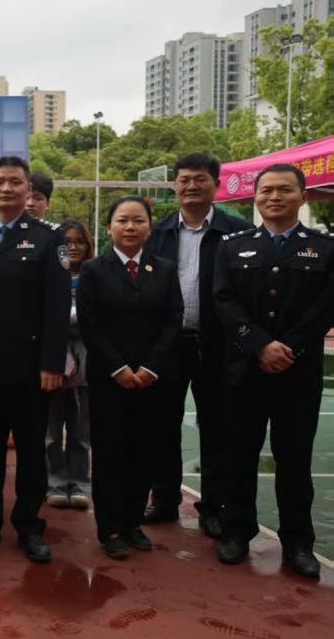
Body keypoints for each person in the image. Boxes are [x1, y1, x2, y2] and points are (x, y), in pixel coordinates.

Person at [214, 164, 334, 580]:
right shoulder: (233, 247)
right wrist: (259, 345)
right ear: (255, 198)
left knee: (295, 459)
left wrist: (290, 347)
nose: (274, 197)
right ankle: (236, 531)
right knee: (239, 454)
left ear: (303, 196)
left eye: (285, 190)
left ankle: (298, 542)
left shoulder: (324, 248)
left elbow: (326, 307)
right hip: (244, 370)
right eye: (266, 190)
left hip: (298, 373)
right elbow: (223, 300)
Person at [0, 157, 70, 562]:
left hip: (29, 369)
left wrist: (52, 363)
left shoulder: (48, 238)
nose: (6, 189)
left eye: (15, 182)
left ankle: (28, 524)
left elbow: (57, 306)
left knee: (30, 451)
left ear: (28, 190)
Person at [143, 153, 252, 535]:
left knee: (217, 428)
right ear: (175, 185)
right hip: (167, 346)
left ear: (216, 185)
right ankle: (164, 499)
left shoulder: (237, 232)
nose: (191, 186)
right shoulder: (157, 233)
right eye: (185, 179)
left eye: (200, 179)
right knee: (162, 425)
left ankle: (213, 507)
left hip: (218, 347)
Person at [77, 197, 182, 559]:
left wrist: (151, 368)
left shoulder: (164, 269)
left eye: (139, 220)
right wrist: (118, 368)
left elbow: (173, 320)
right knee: (110, 454)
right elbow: (90, 324)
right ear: (109, 227)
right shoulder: (93, 270)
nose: (131, 227)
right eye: (122, 220)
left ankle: (132, 522)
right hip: (109, 379)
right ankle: (110, 529)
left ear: (150, 227)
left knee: (144, 451)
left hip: (153, 379)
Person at [45, 219, 94, 510]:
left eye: (79, 241)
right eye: (66, 242)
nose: (73, 247)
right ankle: (54, 483)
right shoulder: (49, 276)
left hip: (86, 368)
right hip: (53, 364)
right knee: (51, 433)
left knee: (81, 432)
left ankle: (79, 484)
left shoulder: (95, 275)